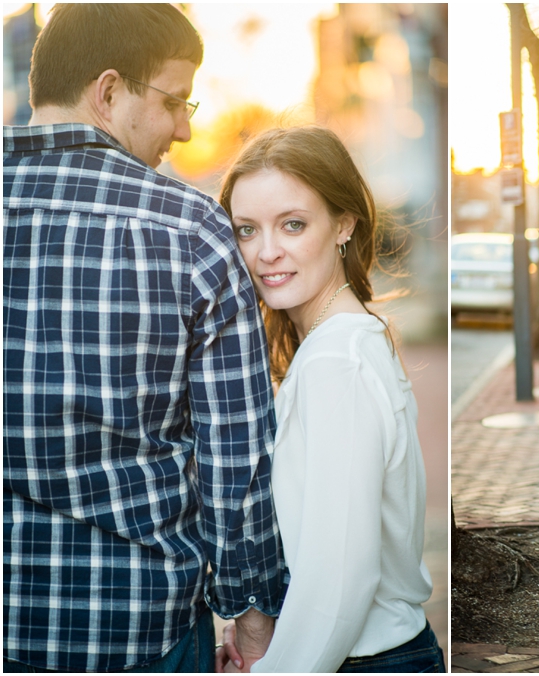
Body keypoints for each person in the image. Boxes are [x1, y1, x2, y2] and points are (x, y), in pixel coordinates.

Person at [3, 5, 283, 672]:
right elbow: (235, 462)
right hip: (143, 631)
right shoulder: (192, 232)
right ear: (108, 92)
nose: (186, 129)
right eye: (175, 101)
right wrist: (251, 618)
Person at [214, 126, 444, 673]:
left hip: (364, 658)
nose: (267, 252)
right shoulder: (341, 341)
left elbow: (340, 581)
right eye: (247, 230)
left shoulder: (337, 361)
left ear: (343, 224)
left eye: (293, 224)